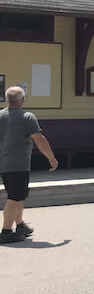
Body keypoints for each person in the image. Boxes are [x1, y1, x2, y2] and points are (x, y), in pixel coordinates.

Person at [0, 86, 58, 244]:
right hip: (18, 164)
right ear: (22, 100)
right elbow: (40, 140)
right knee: (14, 197)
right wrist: (52, 158)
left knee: (18, 195)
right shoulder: (27, 117)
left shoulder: (1, 115)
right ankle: (5, 232)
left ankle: (20, 225)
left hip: (4, 164)